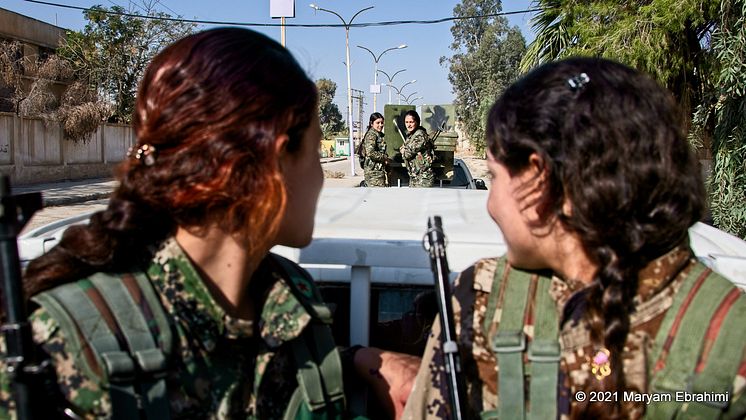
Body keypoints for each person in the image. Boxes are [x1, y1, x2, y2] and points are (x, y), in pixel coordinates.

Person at [0, 28, 407, 419]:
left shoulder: (293, 300)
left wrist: (358, 361)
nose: (320, 176)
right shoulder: (68, 347)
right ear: (275, 161)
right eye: (315, 152)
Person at [403, 57, 746, 419]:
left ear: (538, 179)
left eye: (494, 175)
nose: (490, 205)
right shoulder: (478, 299)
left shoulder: (484, 302)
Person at [399, 110, 434, 188]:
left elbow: (407, 154)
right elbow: (403, 148)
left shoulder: (420, 135)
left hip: (423, 178)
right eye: (406, 122)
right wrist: (403, 149)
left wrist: (403, 151)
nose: (408, 125)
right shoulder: (411, 136)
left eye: (411, 122)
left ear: (417, 122)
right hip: (415, 177)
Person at [362, 112, 389, 187]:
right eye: (378, 123)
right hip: (373, 174)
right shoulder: (371, 135)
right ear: (371, 123)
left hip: (378, 172)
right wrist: (385, 158)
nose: (380, 125)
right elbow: (371, 153)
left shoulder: (378, 135)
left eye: (382, 123)